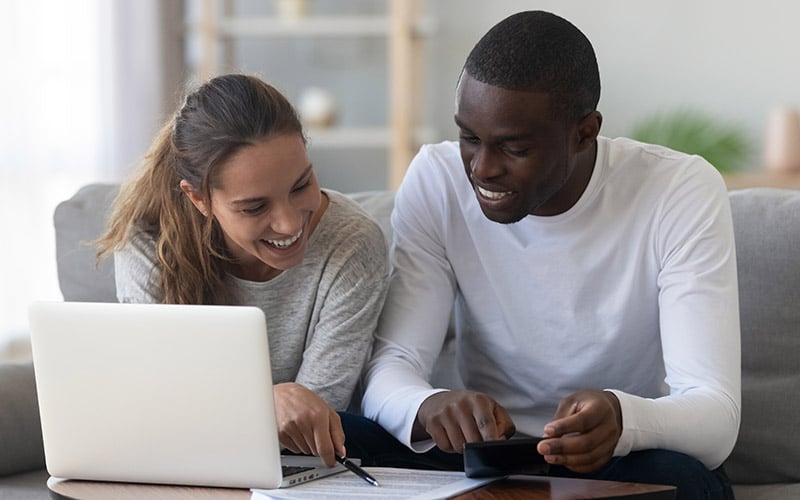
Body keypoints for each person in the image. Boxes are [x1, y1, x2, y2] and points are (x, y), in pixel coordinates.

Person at [361, 10, 739, 499]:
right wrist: (426, 405)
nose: (482, 169)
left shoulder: (678, 189)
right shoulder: (437, 181)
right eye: (469, 138)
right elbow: (392, 364)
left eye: (513, 148)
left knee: (686, 481)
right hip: (489, 456)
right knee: (347, 437)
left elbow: (716, 415)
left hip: (618, 458)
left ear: (585, 131)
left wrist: (625, 419)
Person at [96, 74, 389, 468]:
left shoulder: (352, 243)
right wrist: (260, 401)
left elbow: (312, 420)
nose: (288, 224)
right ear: (198, 198)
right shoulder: (149, 244)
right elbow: (158, 403)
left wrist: (229, 404)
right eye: (254, 207)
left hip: (299, 472)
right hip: (182, 465)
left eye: (301, 185)